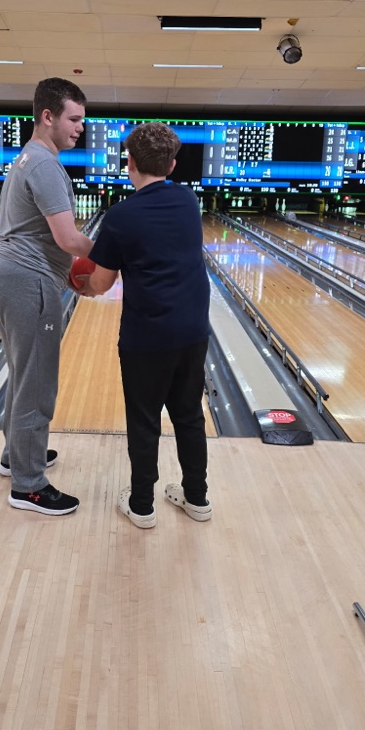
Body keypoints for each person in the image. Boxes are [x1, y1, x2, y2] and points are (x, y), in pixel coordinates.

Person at [81, 122, 212, 529]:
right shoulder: (189, 201)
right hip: (192, 331)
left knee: (144, 420)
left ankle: (142, 505)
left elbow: (101, 283)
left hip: (146, 338)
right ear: (172, 166)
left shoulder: (121, 216)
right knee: (189, 415)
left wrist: (81, 285)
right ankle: (197, 499)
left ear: (129, 163)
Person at [0, 77, 93, 515]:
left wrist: (65, 268)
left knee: (22, 372)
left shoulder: (26, 159)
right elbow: (68, 238)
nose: (80, 127)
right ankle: (28, 485)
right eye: (74, 118)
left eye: (82, 120)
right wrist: (113, 252)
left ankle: (17, 456)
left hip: (10, 275)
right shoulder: (46, 165)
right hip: (29, 283)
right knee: (37, 382)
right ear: (47, 116)